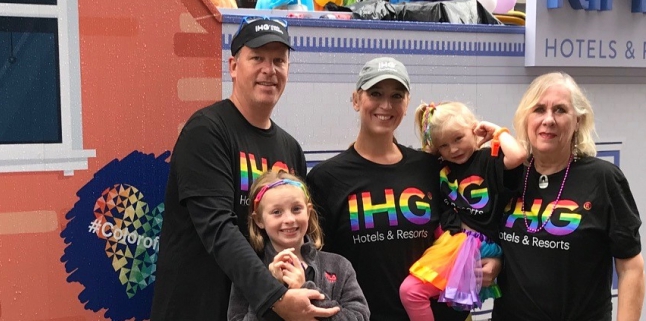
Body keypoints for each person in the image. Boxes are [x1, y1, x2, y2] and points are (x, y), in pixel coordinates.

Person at [150, 18, 339, 321]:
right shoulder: (207, 132)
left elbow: (300, 240)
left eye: (279, 60)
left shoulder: (290, 149)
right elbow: (218, 228)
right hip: (198, 309)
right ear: (234, 66)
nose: (270, 69)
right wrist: (276, 297)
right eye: (257, 58)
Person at [306, 57, 498, 321]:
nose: (386, 105)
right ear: (356, 100)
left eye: (396, 96)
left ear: (407, 104)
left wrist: (494, 262)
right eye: (375, 93)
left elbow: (476, 221)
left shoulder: (433, 167)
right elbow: (315, 263)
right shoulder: (326, 178)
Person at [491, 72, 645, 321]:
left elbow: (631, 267)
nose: (548, 120)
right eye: (539, 109)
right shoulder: (509, 175)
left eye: (560, 110)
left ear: (578, 121)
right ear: (525, 118)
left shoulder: (603, 179)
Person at [398, 101, 525, 321]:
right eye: (444, 145)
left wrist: (497, 131)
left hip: (474, 244)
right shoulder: (442, 166)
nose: (453, 149)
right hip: (456, 242)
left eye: (458, 138)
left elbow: (517, 156)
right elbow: (427, 155)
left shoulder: (486, 159)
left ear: (474, 130)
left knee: (411, 292)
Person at [228, 171, 370, 321]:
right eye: (277, 212)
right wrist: (272, 292)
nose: (289, 219)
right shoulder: (248, 272)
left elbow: (359, 317)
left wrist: (306, 288)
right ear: (259, 220)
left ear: (308, 212)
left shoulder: (339, 266)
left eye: (296, 209)